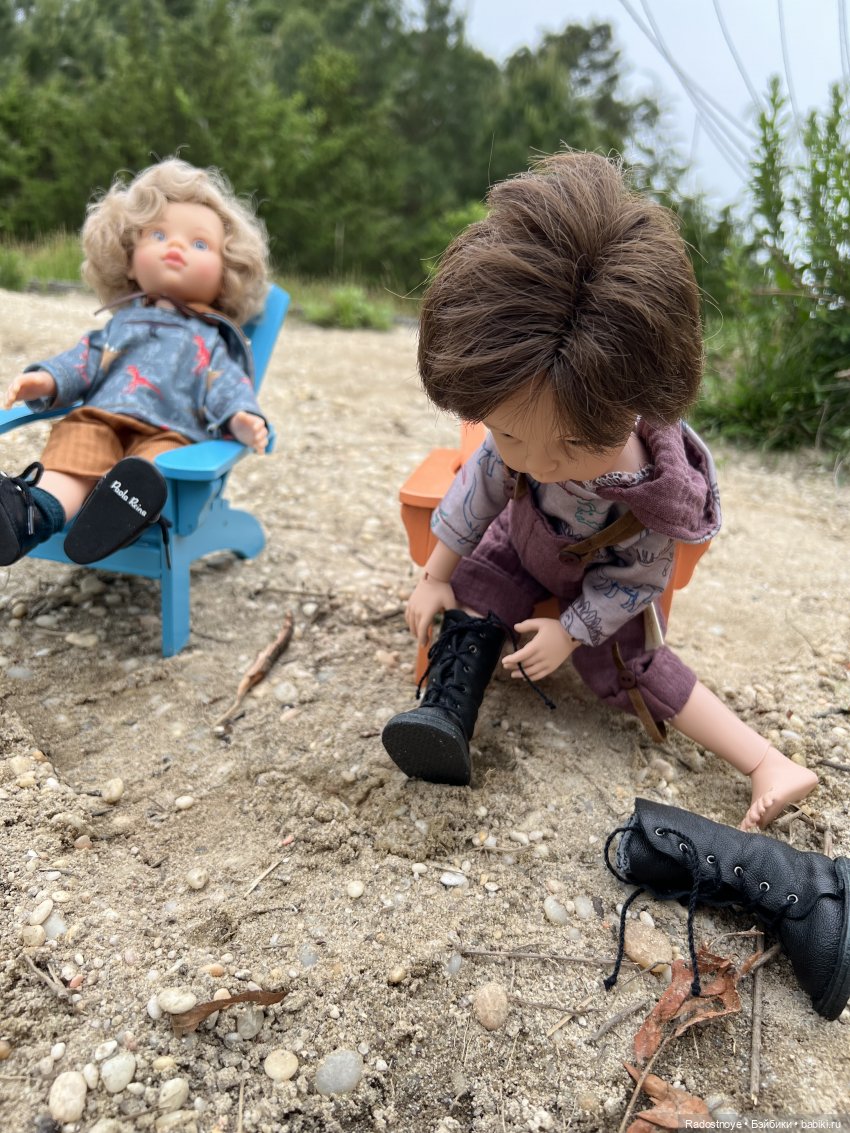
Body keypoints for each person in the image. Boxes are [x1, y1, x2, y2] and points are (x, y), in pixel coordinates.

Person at [381, 150, 817, 832]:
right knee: (478, 593)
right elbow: (481, 487)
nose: (545, 463)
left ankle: (765, 760)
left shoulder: (649, 495)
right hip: (518, 545)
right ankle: (446, 711)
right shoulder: (518, 440)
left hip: (594, 587)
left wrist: (573, 628)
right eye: (513, 434)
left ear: (639, 402)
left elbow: (636, 579)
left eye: (576, 447)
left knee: (636, 666)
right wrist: (436, 574)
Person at [0, 157, 270, 566]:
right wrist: (46, 381)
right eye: (158, 234)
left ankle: (125, 514)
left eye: (200, 244)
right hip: (101, 418)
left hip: (169, 431)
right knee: (78, 443)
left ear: (226, 273)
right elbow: (83, 362)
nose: (176, 246)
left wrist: (241, 418)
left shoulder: (209, 340)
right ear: (128, 256)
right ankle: (34, 514)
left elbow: (227, 385)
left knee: (151, 471)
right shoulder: (120, 326)